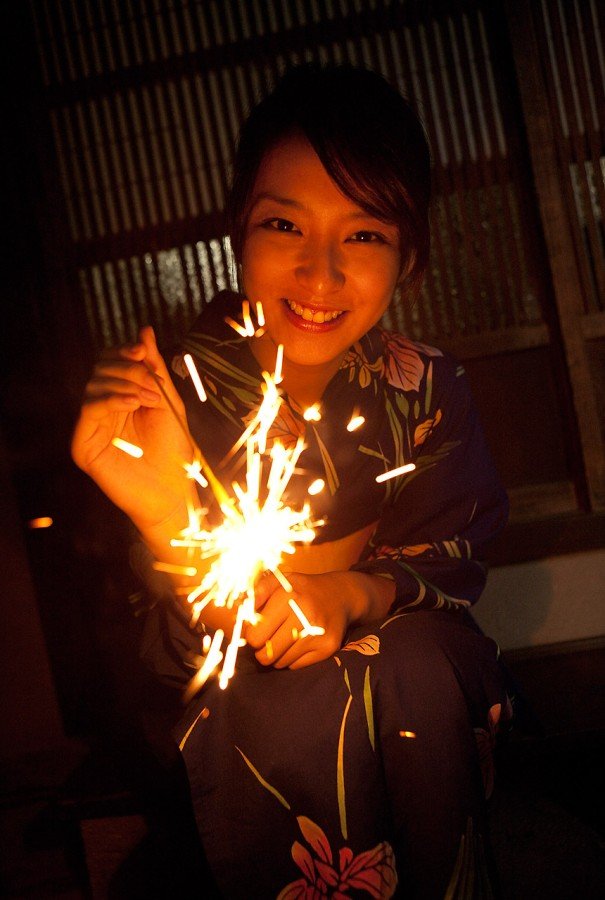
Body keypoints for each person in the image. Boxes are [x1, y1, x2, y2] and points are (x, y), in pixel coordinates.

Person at [72, 64, 510, 898]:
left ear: (409, 254)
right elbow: (165, 657)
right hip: (231, 694)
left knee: (412, 667)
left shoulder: (424, 385)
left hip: (400, 663)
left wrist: (349, 594)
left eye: (364, 235)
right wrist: (167, 516)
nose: (319, 274)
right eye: (283, 224)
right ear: (236, 228)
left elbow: (451, 560)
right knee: (277, 708)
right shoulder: (167, 396)